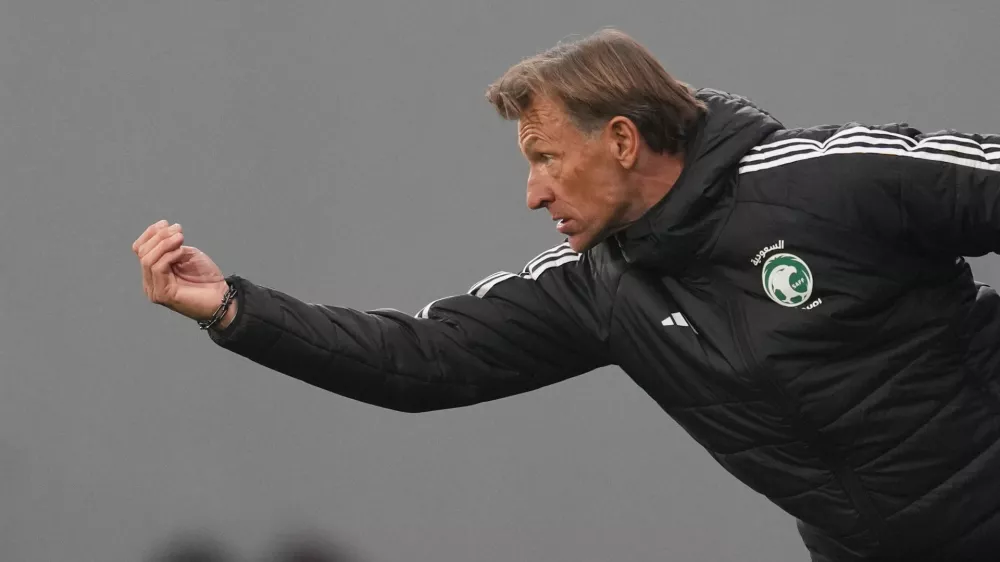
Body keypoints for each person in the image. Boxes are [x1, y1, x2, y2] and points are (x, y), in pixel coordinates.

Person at [132, 28, 1000, 562]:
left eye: (546, 157)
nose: (533, 192)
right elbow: (418, 360)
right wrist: (231, 309)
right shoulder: (600, 287)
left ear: (621, 139)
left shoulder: (827, 181)